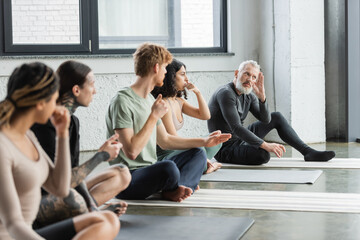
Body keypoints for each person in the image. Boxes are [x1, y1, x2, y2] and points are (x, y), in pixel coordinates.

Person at [0, 62, 119, 240]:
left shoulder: (28, 137)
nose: (57, 103)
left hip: (29, 232)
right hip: (12, 235)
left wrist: (62, 134)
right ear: (41, 103)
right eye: (54, 97)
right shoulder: (3, 144)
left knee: (107, 220)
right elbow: (13, 224)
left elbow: (61, 188)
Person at [106, 43, 231, 202]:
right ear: (156, 68)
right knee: (168, 168)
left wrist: (204, 141)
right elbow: (132, 151)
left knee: (197, 153)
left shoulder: (150, 99)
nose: (166, 73)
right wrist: (153, 116)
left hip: (150, 170)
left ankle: (179, 188)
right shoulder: (122, 101)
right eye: (165, 68)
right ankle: (178, 185)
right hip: (127, 178)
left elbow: (165, 141)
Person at [31, 60, 131, 228]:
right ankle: (84, 214)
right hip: (36, 200)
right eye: (92, 85)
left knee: (121, 173)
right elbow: (58, 185)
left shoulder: (73, 121)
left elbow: (74, 174)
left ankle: (89, 211)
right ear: (76, 90)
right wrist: (101, 156)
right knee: (72, 198)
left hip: (64, 187)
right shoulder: (44, 123)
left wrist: (92, 206)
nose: (95, 91)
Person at [207, 60, 336, 165]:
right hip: (224, 148)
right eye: (246, 74)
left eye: (253, 77)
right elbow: (236, 128)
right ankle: (255, 149)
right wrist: (265, 145)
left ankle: (308, 152)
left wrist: (262, 98)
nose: (249, 80)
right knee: (263, 155)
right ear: (236, 73)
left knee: (276, 117)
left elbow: (266, 120)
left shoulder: (248, 95)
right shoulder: (225, 93)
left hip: (240, 139)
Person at [151, 59, 222, 174]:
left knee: (217, 138)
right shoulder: (164, 104)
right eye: (182, 74)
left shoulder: (179, 101)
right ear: (171, 77)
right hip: (164, 155)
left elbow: (205, 115)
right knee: (199, 149)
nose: (187, 79)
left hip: (176, 150)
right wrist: (200, 145)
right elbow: (172, 140)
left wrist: (198, 93)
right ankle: (205, 165)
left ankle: (201, 162)